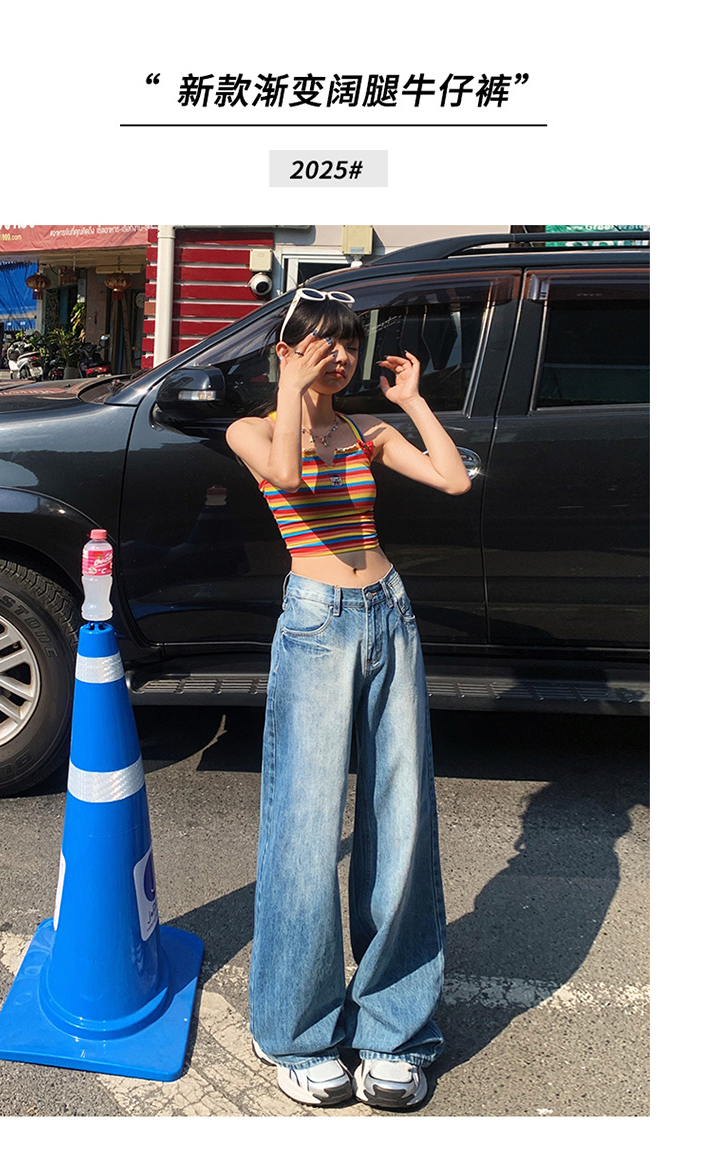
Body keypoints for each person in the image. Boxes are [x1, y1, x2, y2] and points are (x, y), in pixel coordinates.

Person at [225, 288, 472, 1110]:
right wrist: (293, 391)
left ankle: (395, 1030)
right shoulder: (252, 430)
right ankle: (295, 1032)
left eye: (348, 343)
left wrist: (413, 402)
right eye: (322, 343)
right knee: (303, 825)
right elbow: (287, 475)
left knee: (401, 816)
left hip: (389, 615)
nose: (340, 356)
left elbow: (453, 480)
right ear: (286, 351)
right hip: (315, 625)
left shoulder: (369, 430)